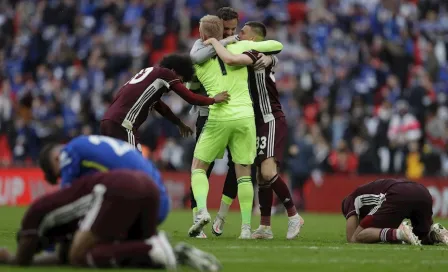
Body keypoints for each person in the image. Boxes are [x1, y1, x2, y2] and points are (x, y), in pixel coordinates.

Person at [0, 170, 222, 271]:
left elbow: (23, 259)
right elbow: (61, 258)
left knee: (80, 255)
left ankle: (151, 248)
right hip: (145, 186)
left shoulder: (34, 216)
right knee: (104, 252)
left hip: (118, 191)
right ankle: (172, 252)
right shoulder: (57, 220)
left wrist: (8, 258)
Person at [204, 21, 305, 239]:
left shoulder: (256, 54)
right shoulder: (259, 53)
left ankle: (294, 216)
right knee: (260, 175)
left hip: (270, 119)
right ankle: (266, 227)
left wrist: (213, 41)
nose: (238, 34)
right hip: (255, 121)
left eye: (243, 31)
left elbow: (231, 59)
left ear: (254, 39)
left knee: (268, 172)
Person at [188, 15, 283, 239]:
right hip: (245, 116)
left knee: (198, 168)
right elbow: (275, 45)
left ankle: (201, 211)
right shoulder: (241, 46)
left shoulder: (198, 60)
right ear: (223, 31)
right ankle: (246, 229)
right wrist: (268, 58)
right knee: (244, 174)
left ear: (202, 35)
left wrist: (213, 43)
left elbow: (190, 87)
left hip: (218, 116)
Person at [100, 53, 229, 151]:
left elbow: (161, 107)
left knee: (114, 164)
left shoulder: (150, 73)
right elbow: (191, 97)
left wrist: (178, 123)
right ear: (174, 72)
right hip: (123, 124)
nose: (180, 84)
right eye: (181, 80)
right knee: (136, 165)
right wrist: (213, 99)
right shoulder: (166, 73)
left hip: (108, 120)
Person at [38, 135, 169, 224]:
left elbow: (65, 198)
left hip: (144, 202)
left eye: (60, 174)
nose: (64, 175)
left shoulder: (68, 152)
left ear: (56, 158)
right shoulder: (88, 144)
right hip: (160, 201)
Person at [341, 178, 448, 245]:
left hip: (397, 193)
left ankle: (400, 233)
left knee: (357, 236)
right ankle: (433, 233)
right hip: (422, 191)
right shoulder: (369, 191)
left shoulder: (350, 200)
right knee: (421, 236)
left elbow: (351, 238)